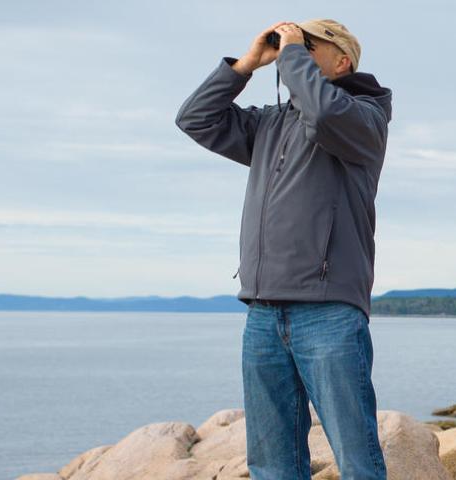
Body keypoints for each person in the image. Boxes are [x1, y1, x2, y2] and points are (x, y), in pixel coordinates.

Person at [173, 19, 391, 480]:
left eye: (307, 46)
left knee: (356, 454)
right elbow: (195, 119)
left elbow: (326, 115)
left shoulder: (364, 117)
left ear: (342, 61)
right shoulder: (269, 124)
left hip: (329, 310)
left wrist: (290, 53)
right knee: (273, 462)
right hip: (264, 312)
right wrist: (246, 65)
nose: (291, 51)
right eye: (290, 45)